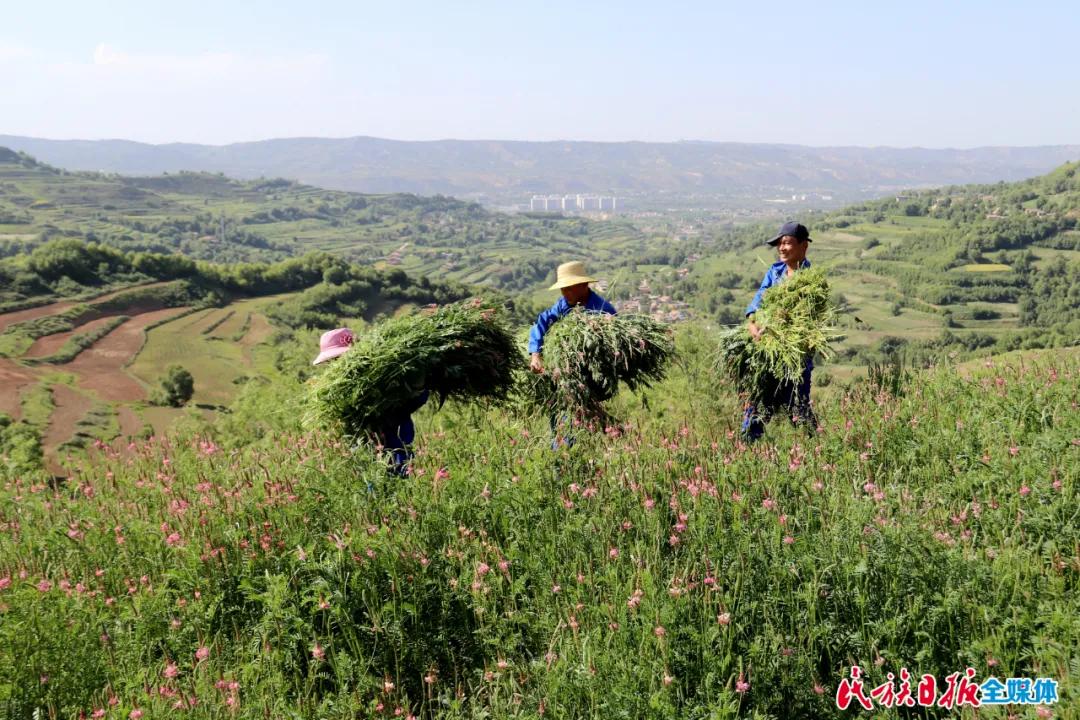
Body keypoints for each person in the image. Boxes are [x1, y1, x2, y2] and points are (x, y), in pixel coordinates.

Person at [312, 327, 428, 477]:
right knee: (373, 489)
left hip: (396, 448)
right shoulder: (337, 392)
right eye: (331, 361)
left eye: (338, 359)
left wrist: (417, 387)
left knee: (400, 484)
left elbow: (414, 400)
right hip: (364, 454)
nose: (335, 364)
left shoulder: (382, 377)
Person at [741, 221, 819, 441]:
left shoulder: (811, 281)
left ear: (804, 246)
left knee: (797, 406)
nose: (782, 248)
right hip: (766, 351)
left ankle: (815, 451)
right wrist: (752, 322)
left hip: (795, 356)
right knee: (757, 401)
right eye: (779, 244)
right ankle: (748, 449)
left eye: (787, 243)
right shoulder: (775, 271)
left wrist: (776, 325)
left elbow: (805, 316)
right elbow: (759, 297)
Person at [528, 261, 617, 448]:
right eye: (563, 289)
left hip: (588, 381)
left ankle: (569, 459)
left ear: (584, 286)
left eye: (569, 288)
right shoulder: (564, 305)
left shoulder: (603, 311)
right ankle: (563, 455)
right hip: (563, 377)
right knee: (559, 418)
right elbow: (542, 322)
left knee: (574, 423)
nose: (564, 293)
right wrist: (535, 353)